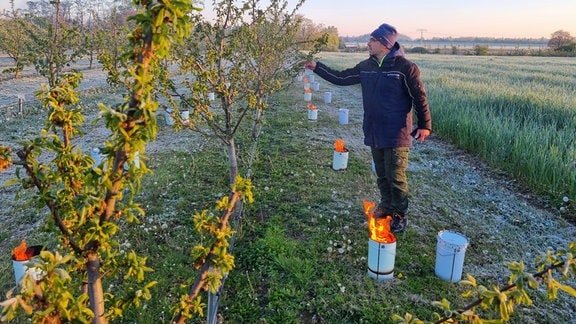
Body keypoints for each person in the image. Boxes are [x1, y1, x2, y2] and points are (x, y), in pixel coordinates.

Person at [304, 23, 431, 233]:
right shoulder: (366, 67)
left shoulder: (405, 68)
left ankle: (399, 214)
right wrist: (317, 67)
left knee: (396, 176)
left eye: (372, 40)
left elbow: (419, 96)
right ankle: (386, 206)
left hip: (397, 132)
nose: (368, 43)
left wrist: (425, 125)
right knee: (381, 174)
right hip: (374, 130)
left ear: (385, 44)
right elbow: (341, 77)